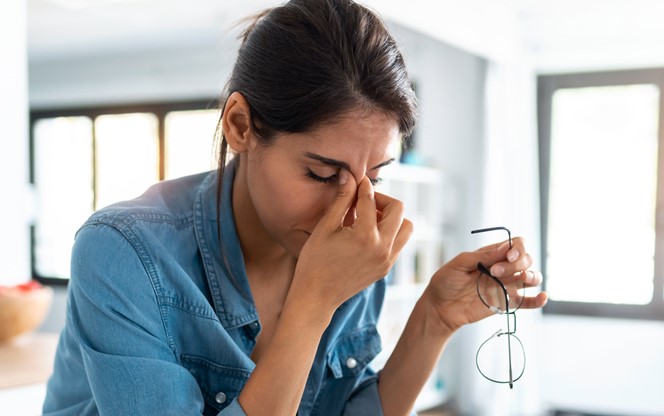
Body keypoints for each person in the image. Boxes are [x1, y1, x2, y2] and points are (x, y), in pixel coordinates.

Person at [43, 0, 548, 415]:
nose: (351, 210)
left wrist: (434, 317)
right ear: (240, 126)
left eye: (375, 176)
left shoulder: (355, 245)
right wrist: (312, 304)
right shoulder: (123, 251)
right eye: (322, 175)